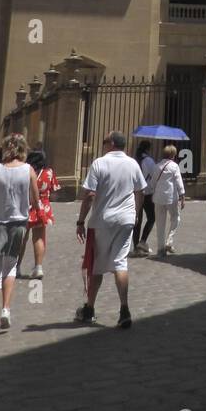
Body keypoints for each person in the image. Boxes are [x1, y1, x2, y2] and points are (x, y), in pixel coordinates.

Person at [76, 132, 147, 328]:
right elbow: (140, 191)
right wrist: (136, 213)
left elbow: (90, 195)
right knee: (120, 263)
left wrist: (80, 221)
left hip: (102, 221)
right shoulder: (133, 164)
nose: (102, 145)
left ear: (112, 143)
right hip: (126, 220)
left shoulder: (99, 163)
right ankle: (124, 309)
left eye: (104, 141)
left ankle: (89, 308)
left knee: (97, 265)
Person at [0, 134, 40, 337]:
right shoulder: (29, 170)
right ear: (24, 150)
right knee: (10, 267)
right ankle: (6, 308)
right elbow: (35, 200)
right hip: (18, 224)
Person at [25, 149, 60, 279]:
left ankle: (16, 267)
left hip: (27, 205)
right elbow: (54, 190)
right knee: (39, 237)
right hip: (42, 207)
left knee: (23, 237)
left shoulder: (27, 171)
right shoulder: (49, 172)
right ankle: (38, 267)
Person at [148, 145, 186, 256]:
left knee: (160, 223)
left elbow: (152, 183)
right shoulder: (174, 166)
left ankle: (160, 249)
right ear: (173, 155)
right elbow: (179, 182)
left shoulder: (157, 166)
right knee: (175, 218)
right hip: (171, 198)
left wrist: (152, 192)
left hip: (158, 198)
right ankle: (169, 240)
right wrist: (182, 195)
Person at [132, 141, 157, 256]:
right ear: (148, 149)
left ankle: (136, 246)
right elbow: (155, 175)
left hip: (134, 192)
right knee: (151, 218)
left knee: (137, 219)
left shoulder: (134, 160)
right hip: (146, 193)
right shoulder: (149, 161)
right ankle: (142, 241)